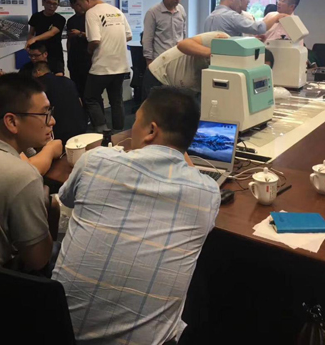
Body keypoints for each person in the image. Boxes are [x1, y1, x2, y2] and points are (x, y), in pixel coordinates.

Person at [53, 86, 220, 345]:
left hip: (57, 331)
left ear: (151, 130)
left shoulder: (95, 161)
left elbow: (65, 200)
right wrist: (179, 149)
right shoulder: (207, 193)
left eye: (136, 122)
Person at [0, 73, 54, 269]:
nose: (52, 121)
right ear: (11, 122)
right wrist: (47, 205)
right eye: (44, 114)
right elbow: (38, 260)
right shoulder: (22, 176)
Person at [75, 0, 132, 133]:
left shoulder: (92, 12)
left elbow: (94, 40)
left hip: (102, 66)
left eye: (80, 5)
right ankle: (119, 132)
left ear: (86, 0)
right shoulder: (116, 11)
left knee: (90, 98)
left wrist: (89, 51)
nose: (80, 9)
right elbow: (128, 36)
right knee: (116, 99)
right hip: (121, 64)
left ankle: (102, 132)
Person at [142, 31, 229, 99]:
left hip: (185, 89)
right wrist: (212, 53)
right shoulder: (221, 39)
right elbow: (183, 44)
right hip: (160, 76)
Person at [204, 0, 287, 37]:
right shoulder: (231, 16)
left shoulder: (209, 18)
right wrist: (276, 17)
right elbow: (259, 28)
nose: (240, 3)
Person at [32, 62, 87, 145]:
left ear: (37, 71)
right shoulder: (67, 81)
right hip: (81, 128)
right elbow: (80, 102)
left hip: (58, 135)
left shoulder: (38, 87)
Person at [143, 0, 186, 66]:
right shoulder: (153, 12)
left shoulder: (181, 10)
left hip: (179, 58)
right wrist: (149, 62)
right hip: (161, 60)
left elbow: (183, 33)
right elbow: (147, 39)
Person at [27, 0, 66, 75]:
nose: (51, 6)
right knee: (39, 75)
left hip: (55, 53)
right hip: (39, 53)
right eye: (49, 3)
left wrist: (35, 39)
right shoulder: (36, 16)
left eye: (55, 4)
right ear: (43, 2)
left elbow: (52, 33)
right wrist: (29, 44)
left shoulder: (60, 19)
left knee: (58, 76)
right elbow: (31, 33)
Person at [66, 0, 92, 100]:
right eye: (77, 4)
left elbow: (96, 37)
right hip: (74, 58)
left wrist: (80, 33)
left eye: (80, 4)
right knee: (77, 89)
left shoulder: (90, 18)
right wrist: (68, 56)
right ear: (72, 5)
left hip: (88, 58)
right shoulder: (71, 20)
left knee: (90, 91)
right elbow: (69, 40)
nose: (79, 7)